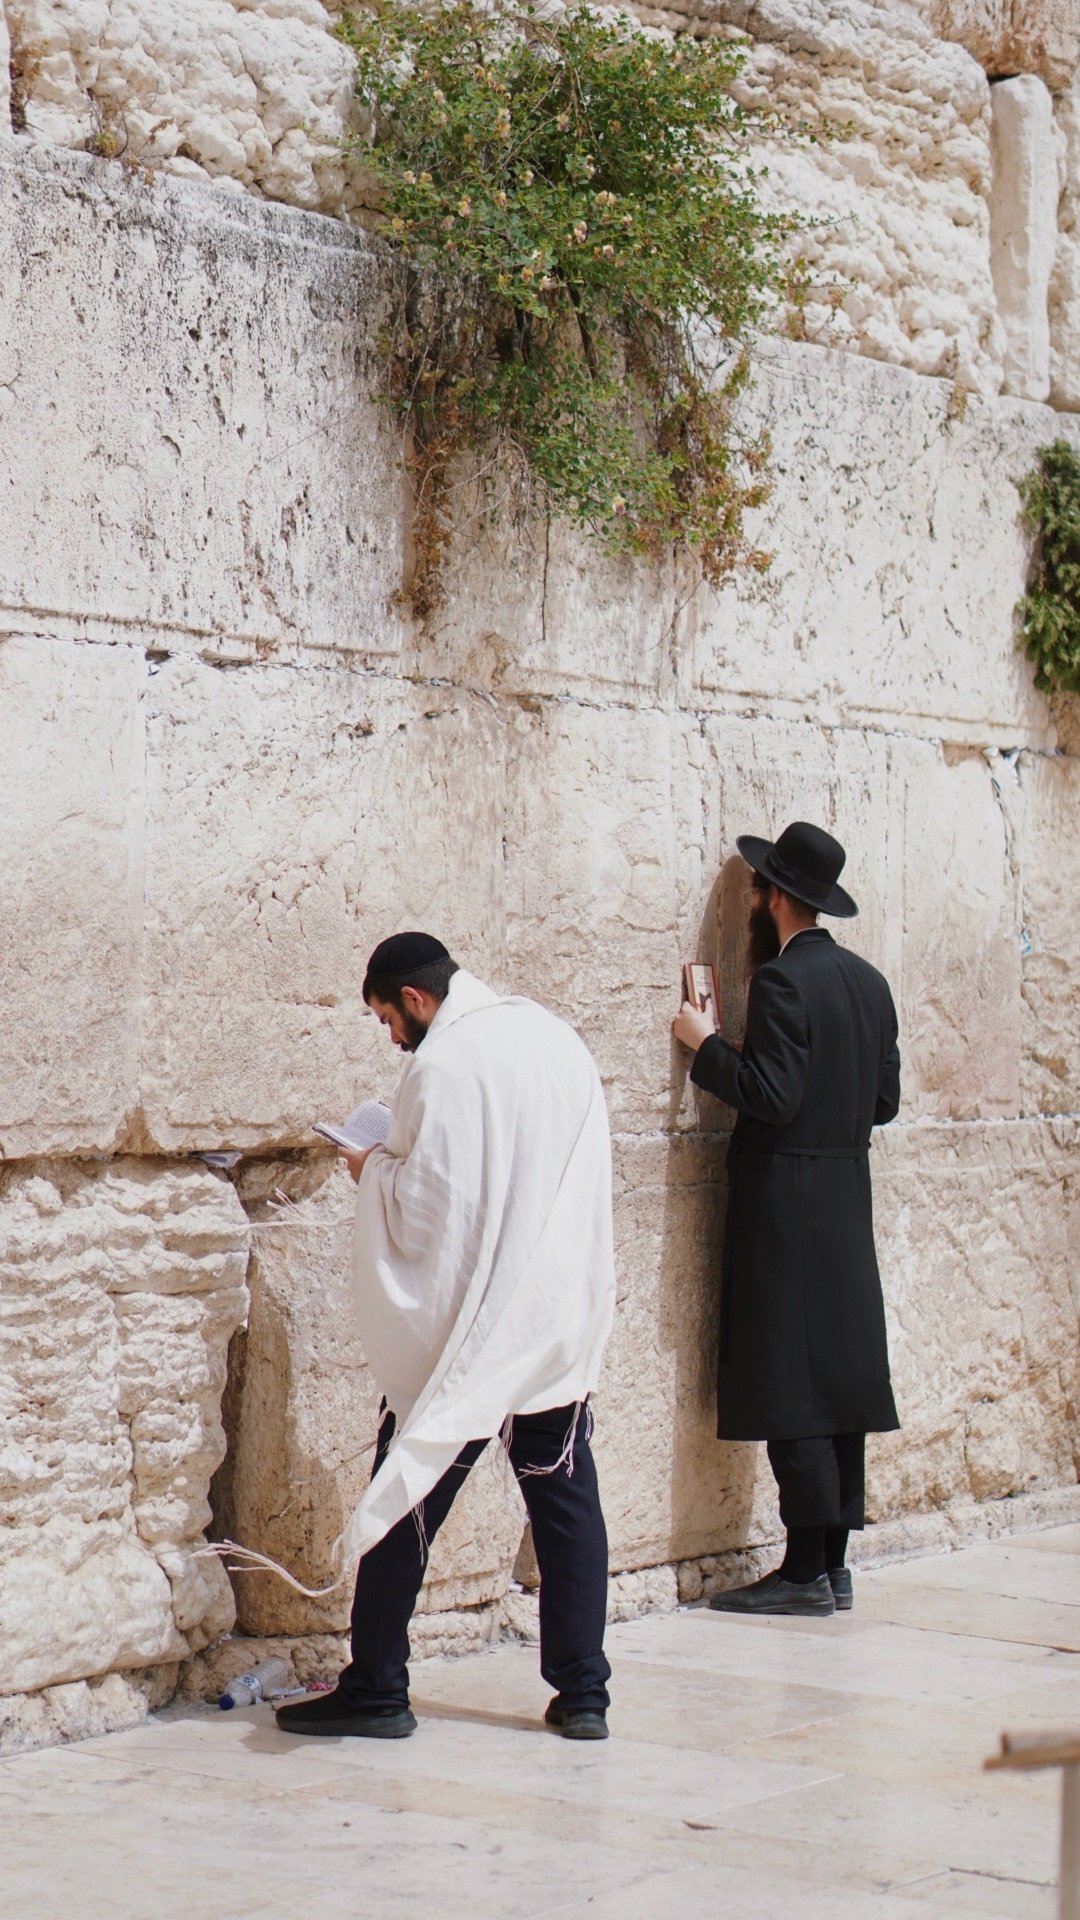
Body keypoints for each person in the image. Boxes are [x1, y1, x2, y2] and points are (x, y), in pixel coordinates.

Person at [276, 932, 616, 1740]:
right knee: (564, 1498)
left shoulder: (442, 1065)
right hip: (552, 1316)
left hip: (472, 1332)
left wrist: (371, 1170)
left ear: (416, 1000)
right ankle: (585, 1696)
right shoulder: (552, 1034)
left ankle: (378, 1689)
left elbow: (433, 1212)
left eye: (387, 1018)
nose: (390, 1036)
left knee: (409, 1490)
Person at [672, 822, 900, 1617]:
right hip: (845, 1195)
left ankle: (803, 1571)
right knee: (838, 1381)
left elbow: (769, 1094)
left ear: (775, 897)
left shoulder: (780, 984)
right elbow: (885, 1102)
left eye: (759, 886)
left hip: (786, 1204)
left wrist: (704, 1045)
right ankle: (831, 1566)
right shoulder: (869, 983)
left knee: (792, 1382)